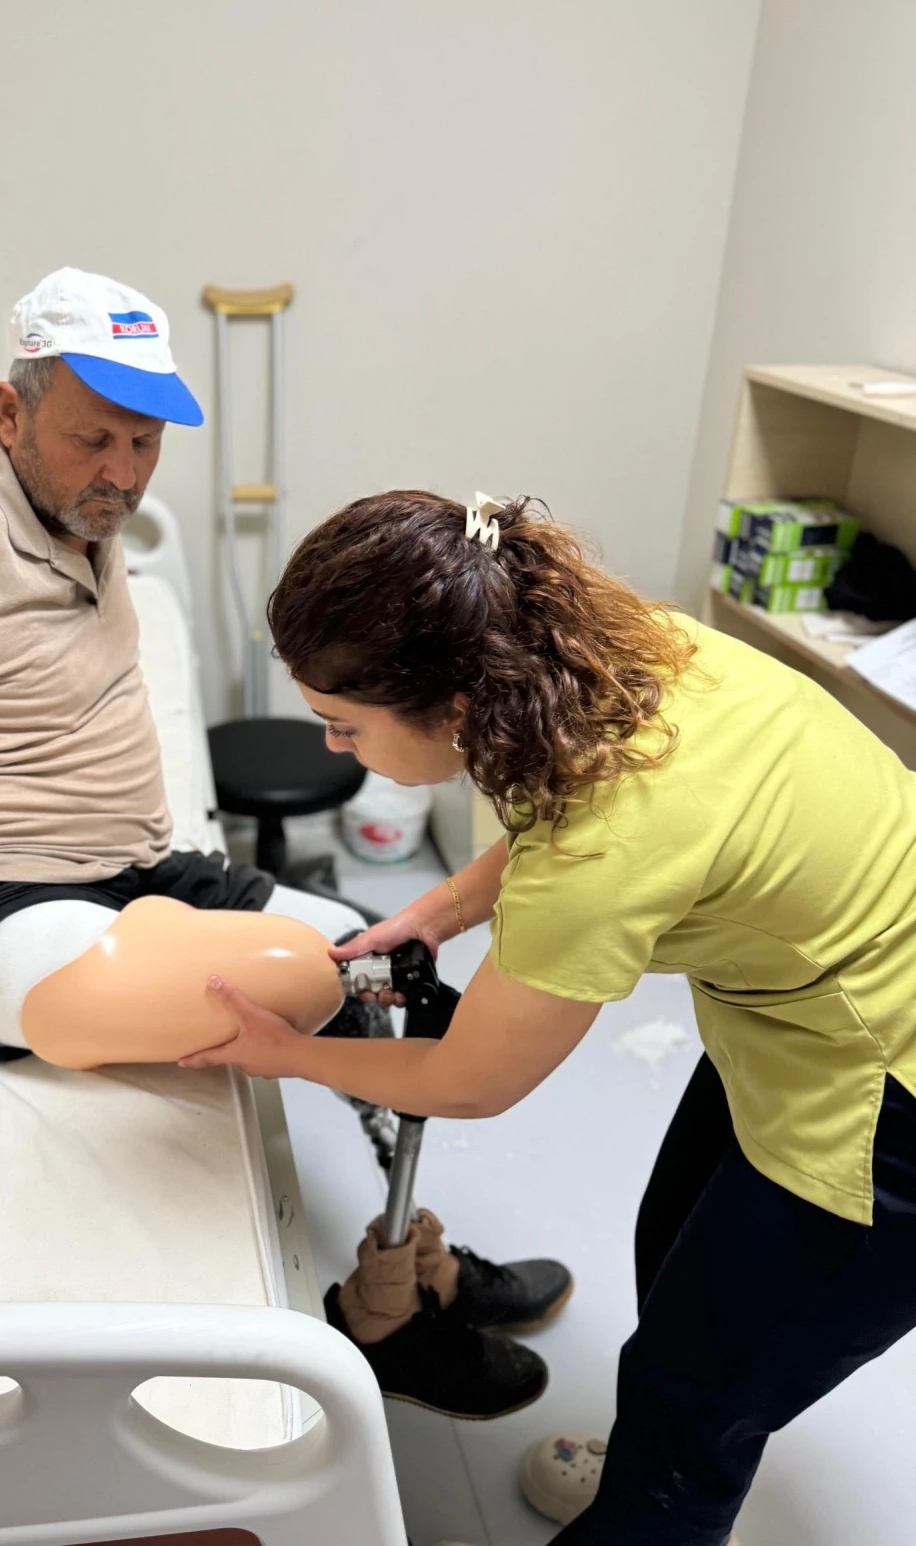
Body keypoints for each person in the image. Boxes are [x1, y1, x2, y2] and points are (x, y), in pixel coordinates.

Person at [0, 271, 569, 1418]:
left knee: (395, 973)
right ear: (9, 412)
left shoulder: (78, 517)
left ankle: (401, 1273)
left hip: (124, 874)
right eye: (93, 438)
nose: (124, 475)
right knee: (307, 976)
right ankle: (384, 1319)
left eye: (144, 444)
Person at [182, 488, 916, 1546]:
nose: (335, 747)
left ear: (454, 708)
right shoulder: (602, 650)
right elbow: (551, 806)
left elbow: (470, 1079)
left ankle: (655, 1498)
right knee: (675, 1251)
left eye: (344, 725)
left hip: (889, 1087)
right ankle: (651, 1460)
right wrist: (441, 907)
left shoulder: (599, 848)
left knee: (695, 1394)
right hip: (812, 1010)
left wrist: (285, 1052)